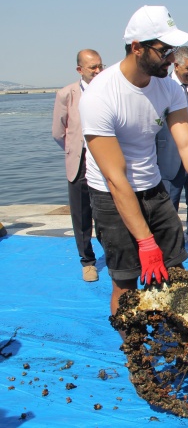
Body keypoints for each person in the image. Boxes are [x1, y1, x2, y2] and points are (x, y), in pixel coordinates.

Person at [79, 5, 188, 329]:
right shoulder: (101, 95)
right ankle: (134, 350)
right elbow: (115, 179)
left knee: (176, 271)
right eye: (164, 50)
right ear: (137, 47)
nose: (171, 59)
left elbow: (187, 144)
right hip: (112, 197)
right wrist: (144, 241)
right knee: (126, 283)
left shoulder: (168, 86)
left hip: (154, 190)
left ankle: (180, 338)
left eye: (172, 50)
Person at [52, 49, 104, 282]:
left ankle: (114, 254)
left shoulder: (107, 90)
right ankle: (88, 261)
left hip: (104, 159)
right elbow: (58, 132)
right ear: (79, 69)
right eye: (92, 67)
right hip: (80, 160)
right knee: (81, 214)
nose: (97, 70)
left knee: (107, 210)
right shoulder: (66, 94)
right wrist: (75, 150)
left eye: (100, 66)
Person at [156, 46, 188, 263]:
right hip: (171, 158)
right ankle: (172, 245)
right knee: (170, 206)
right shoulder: (161, 88)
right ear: (176, 65)